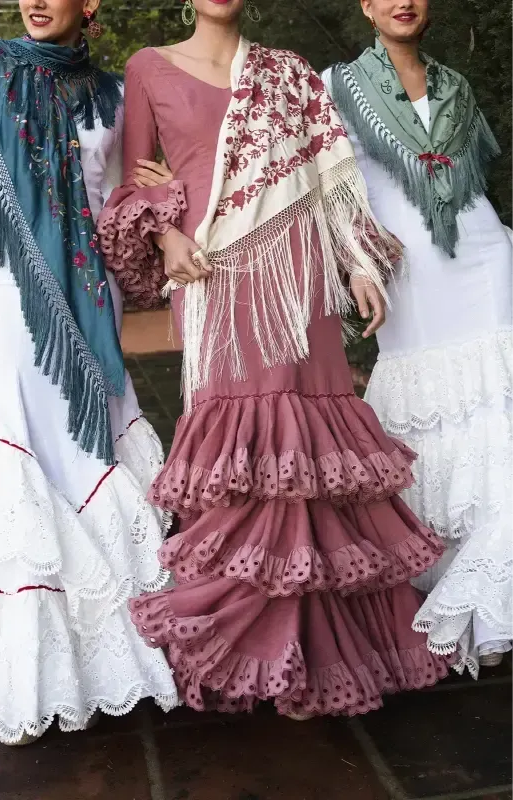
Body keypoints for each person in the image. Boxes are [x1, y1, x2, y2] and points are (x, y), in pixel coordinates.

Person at [98, 0, 455, 719]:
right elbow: (130, 185)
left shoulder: (287, 72)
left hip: (303, 280)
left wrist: (357, 264)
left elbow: (331, 175)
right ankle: (241, 645)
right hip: (215, 277)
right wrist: (166, 239)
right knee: (242, 456)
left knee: (311, 460)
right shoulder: (147, 68)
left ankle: (323, 645)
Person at [0, 0, 179, 745]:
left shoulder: (114, 96)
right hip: (2, 299)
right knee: (20, 460)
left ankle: (101, 659)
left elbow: (122, 198)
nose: (34, 0)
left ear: (87, 4)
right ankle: (24, 675)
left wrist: (154, 196)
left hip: (88, 305)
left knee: (83, 456)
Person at [324, 0, 513, 676]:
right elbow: (328, 188)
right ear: (367, 8)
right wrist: (354, 263)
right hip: (406, 265)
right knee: (435, 413)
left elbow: (470, 180)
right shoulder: (336, 85)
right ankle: (444, 565)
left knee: (499, 413)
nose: (403, 1)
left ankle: (493, 595)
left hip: (484, 255)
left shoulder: (455, 85)